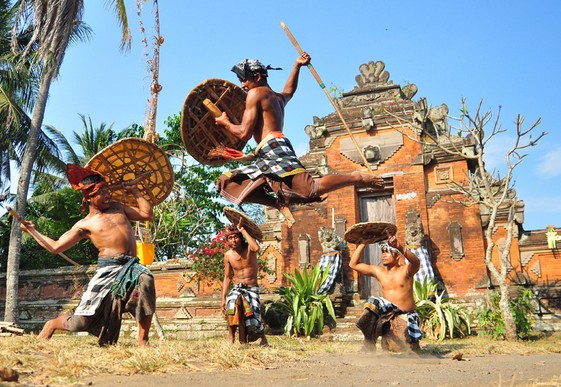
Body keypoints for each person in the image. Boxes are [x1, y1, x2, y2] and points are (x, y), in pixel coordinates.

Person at [215, 52, 385, 227]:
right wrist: (297, 65)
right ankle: (278, 203)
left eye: (244, 79)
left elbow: (244, 132)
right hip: (269, 151)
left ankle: (356, 177)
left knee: (310, 189)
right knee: (226, 182)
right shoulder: (277, 98)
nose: (242, 85)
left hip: (274, 149)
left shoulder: (255, 93)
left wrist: (225, 123)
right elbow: (289, 91)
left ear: (257, 77)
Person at [20, 164, 156, 347]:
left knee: (145, 279)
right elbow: (55, 247)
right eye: (103, 192)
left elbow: (147, 214)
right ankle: (52, 324)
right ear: (90, 197)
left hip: (131, 266)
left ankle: (143, 342)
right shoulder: (85, 224)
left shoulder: (119, 208)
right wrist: (32, 231)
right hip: (108, 269)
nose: (108, 195)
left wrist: (135, 191)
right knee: (81, 323)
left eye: (108, 191)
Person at [349, 233, 422, 352]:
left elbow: (416, 263)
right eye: (382, 252)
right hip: (388, 314)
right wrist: (363, 243)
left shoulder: (405, 271)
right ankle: (369, 343)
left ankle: (413, 344)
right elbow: (353, 264)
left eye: (387, 252)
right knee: (372, 302)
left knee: (405, 348)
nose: (383, 255)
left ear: (397, 256)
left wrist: (400, 247)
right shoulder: (379, 271)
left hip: (406, 314)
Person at [221, 222, 268, 345]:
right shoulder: (228, 256)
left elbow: (257, 248)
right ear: (227, 241)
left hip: (251, 288)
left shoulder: (249, 249)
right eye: (230, 238)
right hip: (237, 288)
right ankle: (231, 337)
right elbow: (227, 277)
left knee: (254, 314)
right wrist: (223, 297)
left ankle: (261, 338)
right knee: (231, 307)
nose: (233, 240)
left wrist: (242, 230)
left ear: (241, 237)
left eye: (236, 237)